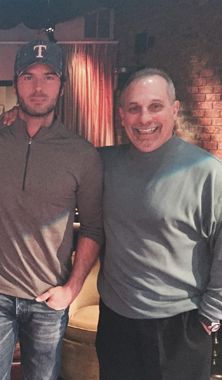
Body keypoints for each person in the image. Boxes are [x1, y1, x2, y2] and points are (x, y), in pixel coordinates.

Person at [0, 40, 103, 380]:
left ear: (63, 86)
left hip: (49, 300)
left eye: (49, 77)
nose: (38, 87)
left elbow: (94, 228)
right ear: (14, 84)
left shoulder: (83, 154)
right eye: (28, 77)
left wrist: (72, 288)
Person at [96, 68, 222, 380]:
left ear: (174, 109)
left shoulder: (208, 172)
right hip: (116, 322)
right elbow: (58, 153)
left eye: (155, 106)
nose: (144, 119)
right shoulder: (102, 163)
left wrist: (211, 316)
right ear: (122, 115)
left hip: (182, 325)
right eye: (134, 109)